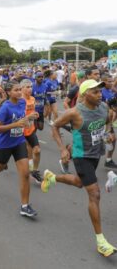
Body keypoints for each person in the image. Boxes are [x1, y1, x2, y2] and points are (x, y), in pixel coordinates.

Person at [41, 79, 117, 257]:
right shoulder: (74, 113)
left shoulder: (104, 107)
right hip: (81, 155)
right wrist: (62, 149)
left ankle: (51, 177)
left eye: (100, 91)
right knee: (94, 193)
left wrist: (108, 134)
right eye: (95, 92)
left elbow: (107, 124)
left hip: (96, 153)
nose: (100, 95)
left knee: (78, 182)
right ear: (84, 95)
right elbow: (55, 126)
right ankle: (101, 241)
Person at [0, 81, 38, 217]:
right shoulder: (5, 108)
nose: (20, 92)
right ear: (9, 92)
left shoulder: (22, 103)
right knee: (0, 167)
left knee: (25, 174)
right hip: (4, 144)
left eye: (20, 89)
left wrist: (29, 117)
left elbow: (21, 119)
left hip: (19, 142)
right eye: (16, 90)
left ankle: (25, 206)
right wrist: (15, 124)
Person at [20, 79, 42, 184]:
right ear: (22, 89)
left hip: (30, 129)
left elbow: (32, 112)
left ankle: (35, 170)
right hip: (20, 132)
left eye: (31, 87)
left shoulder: (33, 99)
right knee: (26, 153)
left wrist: (35, 114)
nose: (30, 89)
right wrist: (29, 116)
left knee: (37, 150)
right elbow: (17, 117)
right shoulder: (19, 101)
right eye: (27, 87)